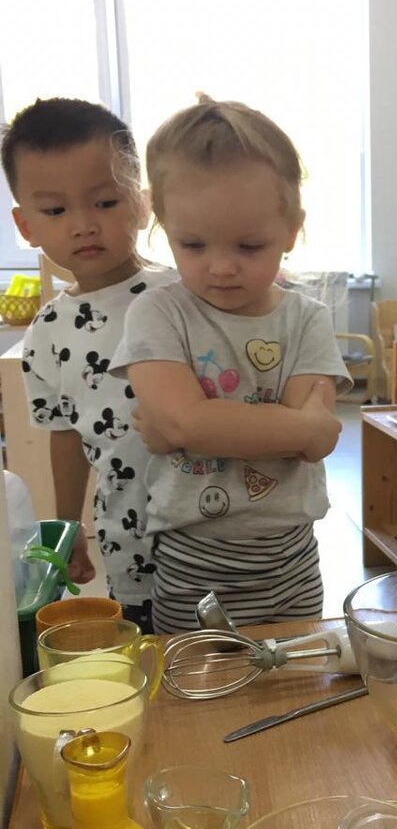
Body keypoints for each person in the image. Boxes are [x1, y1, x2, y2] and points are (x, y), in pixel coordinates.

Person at [111, 96, 350, 632]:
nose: (221, 267)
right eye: (193, 245)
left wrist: (195, 426)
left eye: (249, 245)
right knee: (195, 679)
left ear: (292, 229)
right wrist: (303, 426)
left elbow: (308, 444)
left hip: (292, 558)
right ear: (162, 225)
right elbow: (188, 423)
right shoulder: (156, 312)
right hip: (193, 560)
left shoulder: (307, 318)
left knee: (295, 675)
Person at [1, 97, 176, 632]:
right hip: (126, 537)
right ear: (25, 225)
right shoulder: (45, 334)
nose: (83, 225)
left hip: (213, 529)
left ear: (142, 203)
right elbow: (65, 436)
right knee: (148, 652)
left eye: (104, 202)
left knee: (228, 652)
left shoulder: (183, 296)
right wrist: (67, 524)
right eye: (55, 211)